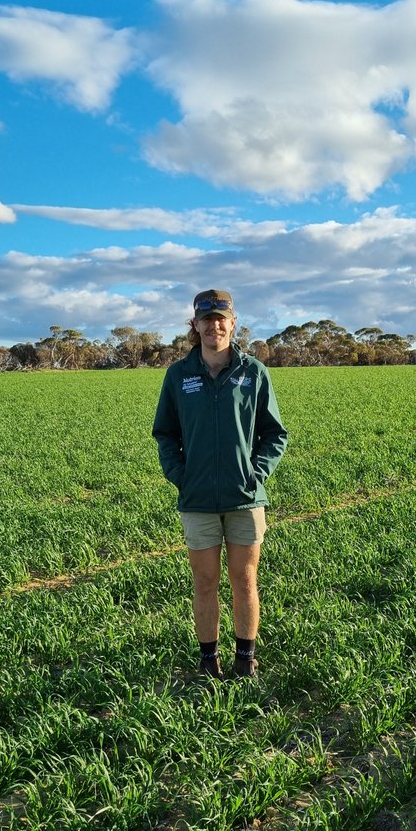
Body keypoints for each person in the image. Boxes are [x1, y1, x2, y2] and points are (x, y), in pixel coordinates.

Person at [153, 290, 288, 678]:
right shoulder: (179, 376)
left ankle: (246, 660)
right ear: (195, 325)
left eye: (221, 318)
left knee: (245, 579)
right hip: (197, 501)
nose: (215, 325)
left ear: (232, 323)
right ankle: (208, 660)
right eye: (206, 319)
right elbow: (165, 433)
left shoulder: (253, 373)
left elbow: (274, 434)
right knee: (205, 580)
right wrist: (181, 476)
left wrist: (255, 472)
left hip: (245, 499)